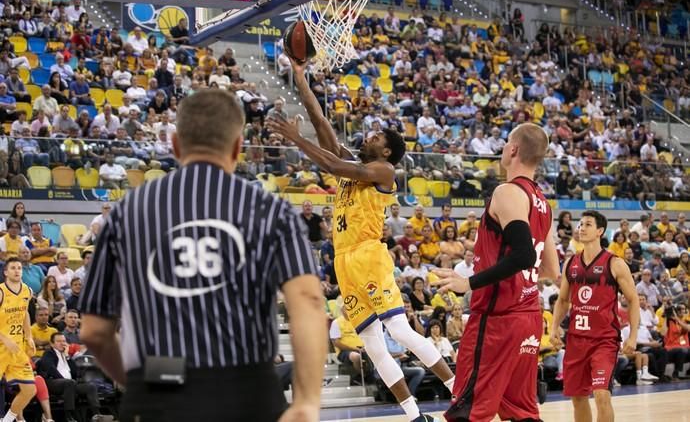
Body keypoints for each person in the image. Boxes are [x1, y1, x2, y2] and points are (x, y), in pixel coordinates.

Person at [78, 89, 327, 422]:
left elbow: (93, 331)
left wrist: (139, 383)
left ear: (177, 145)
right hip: (247, 390)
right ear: (238, 147)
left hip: (157, 387)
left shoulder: (125, 212)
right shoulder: (272, 210)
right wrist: (307, 402)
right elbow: (309, 301)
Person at [266, 58, 455, 422]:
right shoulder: (356, 165)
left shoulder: (384, 171)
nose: (368, 135)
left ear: (385, 151)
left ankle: (459, 390)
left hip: (369, 255)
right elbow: (321, 122)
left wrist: (295, 139)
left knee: (398, 329)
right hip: (344, 260)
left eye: (376, 137)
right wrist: (301, 79)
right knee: (371, 343)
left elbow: (334, 167)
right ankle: (414, 414)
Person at [430, 123, 559, 422]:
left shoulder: (507, 192)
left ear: (513, 149)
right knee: (521, 413)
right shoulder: (544, 204)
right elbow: (550, 269)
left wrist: (469, 282)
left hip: (497, 319)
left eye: (505, 143)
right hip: (528, 318)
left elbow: (524, 255)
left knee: (468, 411)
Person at [550, 211, 641, 422]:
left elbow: (633, 299)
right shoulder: (571, 262)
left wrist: (633, 336)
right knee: (578, 398)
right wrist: (554, 328)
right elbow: (563, 301)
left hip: (604, 340)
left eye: (588, 224)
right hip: (576, 339)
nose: (581, 227)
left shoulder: (615, 263)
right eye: (580, 224)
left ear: (599, 231)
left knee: (601, 395)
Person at [0, 258, 37, 422]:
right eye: (13, 268)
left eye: (19, 268)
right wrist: (4, 339)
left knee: (30, 390)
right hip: (1, 347)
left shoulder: (27, 291)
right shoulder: (0, 292)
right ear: (5, 272)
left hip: (17, 349)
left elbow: (25, 314)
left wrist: (28, 336)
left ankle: (7, 420)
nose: (17, 271)